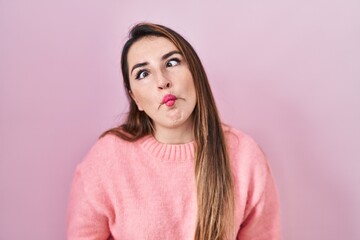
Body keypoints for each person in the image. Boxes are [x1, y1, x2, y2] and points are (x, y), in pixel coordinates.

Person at [66, 22, 281, 240]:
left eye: (171, 62)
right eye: (143, 73)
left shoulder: (245, 156)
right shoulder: (105, 160)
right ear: (135, 99)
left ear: (195, 73)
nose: (162, 81)